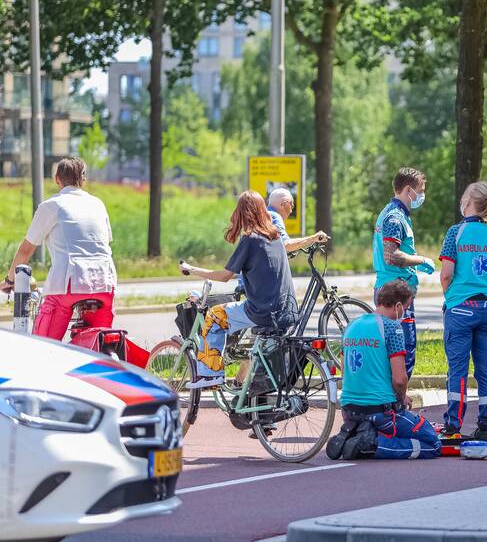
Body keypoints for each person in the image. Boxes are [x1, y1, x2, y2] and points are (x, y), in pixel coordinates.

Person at [1, 157, 146, 366]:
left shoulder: (51, 206)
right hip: (105, 284)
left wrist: (10, 279)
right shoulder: (97, 204)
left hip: (68, 284)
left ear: (56, 179)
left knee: (41, 348)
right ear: (83, 179)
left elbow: (25, 251)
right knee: (99, 350)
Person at [179, 190, 298, 389]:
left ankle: (210, 375)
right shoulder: (275, 236)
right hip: (287, 309)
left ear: (243, 212)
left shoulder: (251, 239)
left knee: (215, 315)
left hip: (262, 311)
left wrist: (193, 269)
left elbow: (225, 276)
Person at [326, 279, 441, 460]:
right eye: (405, 307)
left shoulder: (351, 327)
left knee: (391, 428)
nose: (404, 313)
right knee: (432, 442)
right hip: (381, 412)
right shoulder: (392, 328)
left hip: (349, 410)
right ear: (397, 306)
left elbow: (345, 369)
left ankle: (357, 435)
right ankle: (372, 444)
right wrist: (402, 397)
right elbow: (400, 379)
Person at [438, 182, 487, 443]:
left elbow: (446, 274)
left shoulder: (456, 232)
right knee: (486, 370)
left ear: (468, 200)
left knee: (457, 369)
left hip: (461, 308)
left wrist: (451, 297)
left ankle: (454, 424)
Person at [373, 167, 434, 378]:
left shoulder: (394, 214)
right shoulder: (395, 218)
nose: (422, 195)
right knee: (402, 352)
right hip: (394, 292)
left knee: (398, 351)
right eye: (421, 190)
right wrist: (422, 260)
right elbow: (391, 255)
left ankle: (394, 405)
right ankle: (395, 406)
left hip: (396, 289)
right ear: (409, 190)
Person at [266, 188, 330, 252]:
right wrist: (313, 238)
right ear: (283, 204)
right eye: (291, 205)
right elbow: (286, 245)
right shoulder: (274, 216)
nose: (291, 211)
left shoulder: (263, 215)